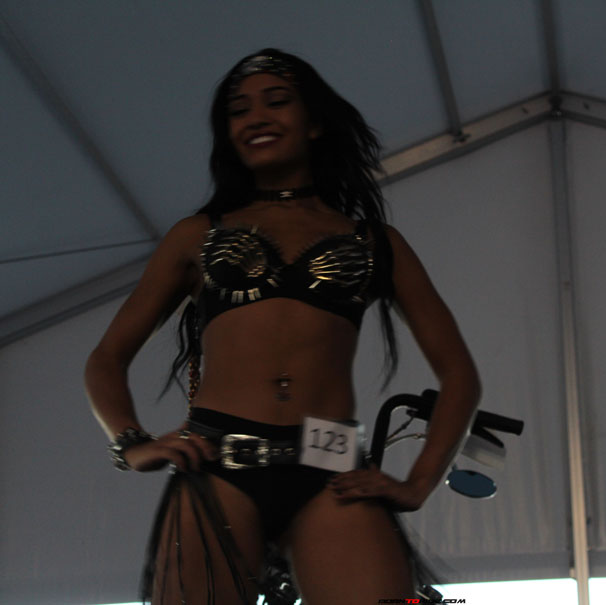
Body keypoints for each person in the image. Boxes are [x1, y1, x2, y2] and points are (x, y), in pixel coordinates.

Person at [84, 48, 480, 605]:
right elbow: (106, 359)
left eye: (276, 102)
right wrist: (130, 443)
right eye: (239, 110)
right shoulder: (196, 235)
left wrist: (419, 483)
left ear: (314, 122)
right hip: (218, 464)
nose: (256, 118)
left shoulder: (376, 243)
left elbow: (460, 374)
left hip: (332, 468)